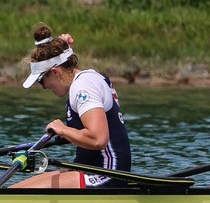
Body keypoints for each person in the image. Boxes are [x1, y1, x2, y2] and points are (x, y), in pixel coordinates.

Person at [14, 23, 132, 188]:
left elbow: (99, 139)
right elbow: (66, 62)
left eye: (42, 80)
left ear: (55, 72)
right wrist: (63, 47)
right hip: (90, 169)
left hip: (106, 175)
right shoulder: (85, 79)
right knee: (16, 189)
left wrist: (63, 130)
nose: (43, 86)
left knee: (21, 195)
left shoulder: (83, 87)